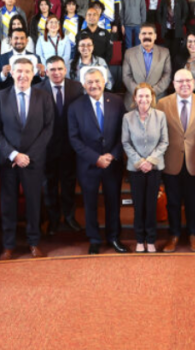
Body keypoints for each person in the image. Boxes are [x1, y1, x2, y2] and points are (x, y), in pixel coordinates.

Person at [0, 57, 55, 259]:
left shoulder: (43, 97)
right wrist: (14, 154)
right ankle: (8, 245)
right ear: (11, 73)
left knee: (34, 203)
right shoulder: (1, 96)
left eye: (27, 71)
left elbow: (48, 128)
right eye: (18, 71)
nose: (23, 75)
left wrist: (28, 156)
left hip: (33, 161)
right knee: (8, 204)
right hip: (9, 161)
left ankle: (34, 243)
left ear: (33, 73)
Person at [67, 68, 127, 254]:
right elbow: (74, 138)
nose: (94, 85)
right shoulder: (75, 107)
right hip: (88, 165)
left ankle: (114, 237)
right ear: (84, 85)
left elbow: (123, 132)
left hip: (112, 163)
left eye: (97, 81)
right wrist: (96, 158)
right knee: (90, 203)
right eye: (89, 82)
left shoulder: (117, 102)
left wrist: (113, 154)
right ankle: (94, 239)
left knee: (113, 202)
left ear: (105, 81)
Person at [156, 69, 195, 253]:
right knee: (172, 201)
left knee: (193, 200)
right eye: (180, 81)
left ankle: (193, 234)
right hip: (171, 160)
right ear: (173, 83)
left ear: (194, 82)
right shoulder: (162, 103)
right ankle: (174, 235)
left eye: (188, 80)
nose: (184, 84)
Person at [122, 83, 168, 252]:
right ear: (135, 98)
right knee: (139, 205)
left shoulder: (160, 116)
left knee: (151, 205)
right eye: (140, 96)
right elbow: (125, 143)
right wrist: (141, 162)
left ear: (152, 98)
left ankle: (151, 240)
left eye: (147, 96)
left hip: (155, 168)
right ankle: (140, 239)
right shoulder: (128, 118)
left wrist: (150, 161)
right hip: (136, 169)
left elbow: (164, 141)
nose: (144, 99)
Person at [40, 57, 84, 234]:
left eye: (59, 69)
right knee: (49, 184)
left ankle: (69, 216)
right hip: (47, 146)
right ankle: (53, 219)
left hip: (70, 145)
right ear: (46, 72)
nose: (56, 73)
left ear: (66, 70)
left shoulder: (77, 87)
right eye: (52, 70)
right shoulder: (38, 89)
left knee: (68, 183)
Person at [122, 24, 172, 108]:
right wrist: (139, 92)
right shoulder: (129, 53)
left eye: (150, 33)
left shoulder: (165, 53)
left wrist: (152, 92)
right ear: (139, 36)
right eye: (144, 33)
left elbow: (167, 75)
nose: (147, 36)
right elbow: (126, 76)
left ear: (155, 36)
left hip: (157, 100)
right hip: (134, 101)